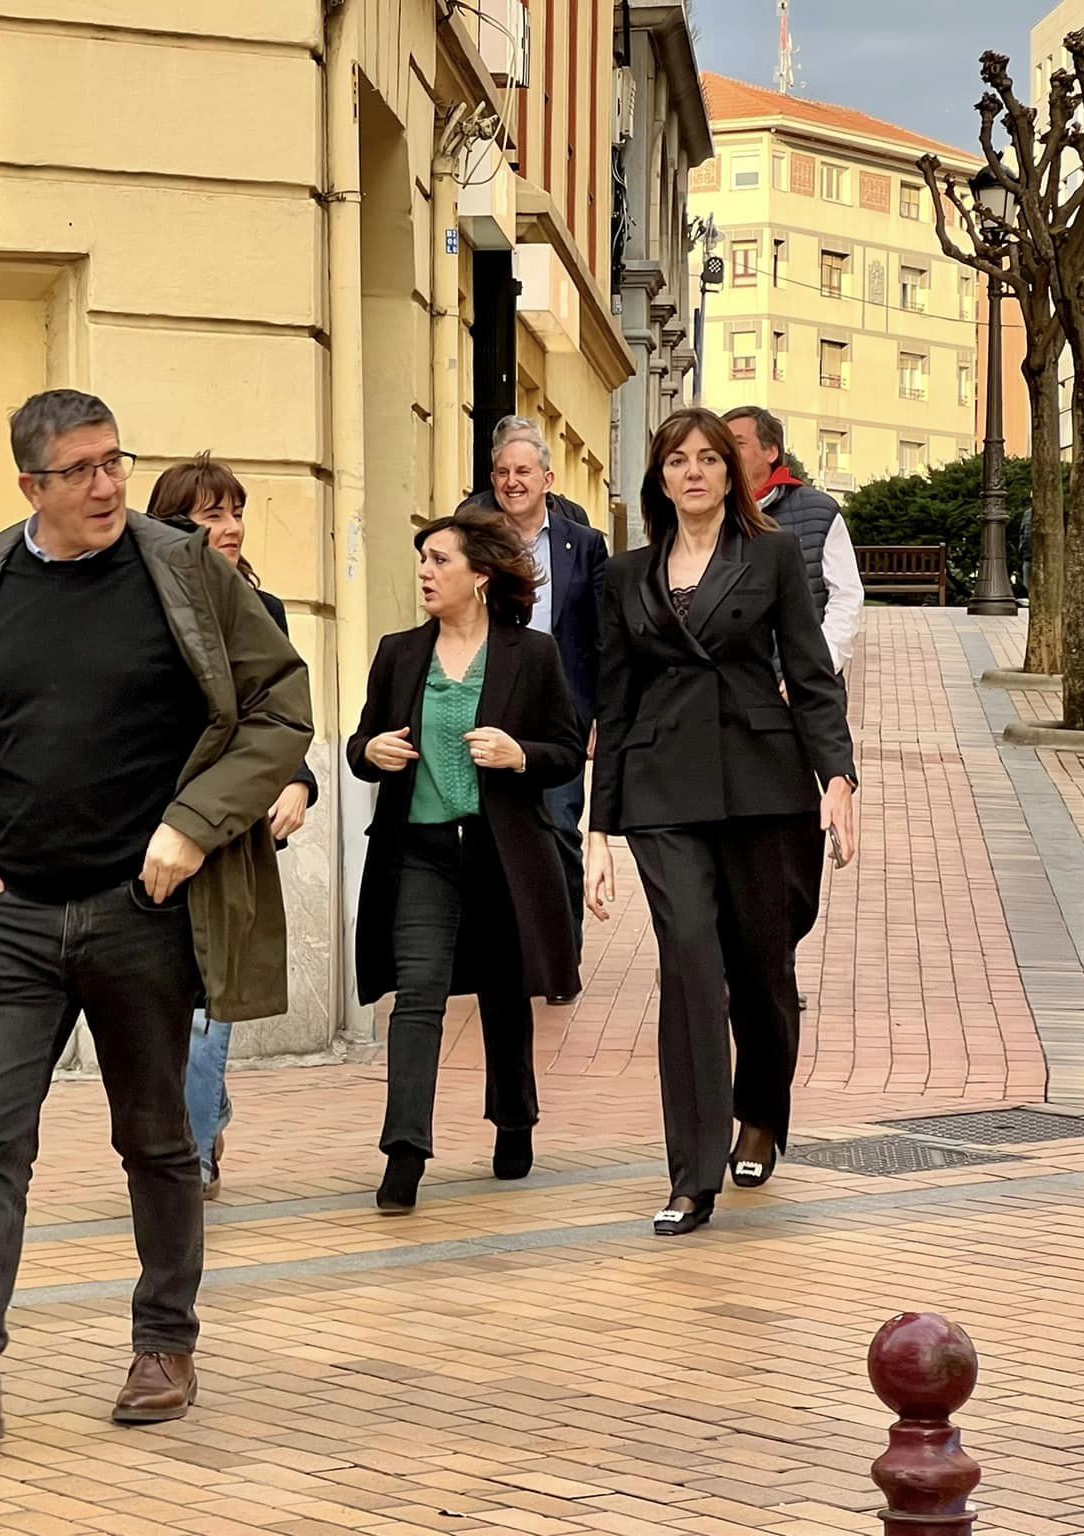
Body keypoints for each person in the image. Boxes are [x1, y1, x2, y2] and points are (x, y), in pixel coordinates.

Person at [0, 391, 313, 1440]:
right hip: (10, 916)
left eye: (114, 461)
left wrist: (191, 830)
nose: (107, 485)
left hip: (140, 909)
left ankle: (164, 1346)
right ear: (29, 485)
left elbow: (280, 708)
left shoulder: (183, 570)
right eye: (79, 470)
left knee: (157, 1139)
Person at [584, 408, 858, 1238]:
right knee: (691, 964)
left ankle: (762, 1113)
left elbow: (810, 674)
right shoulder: (625, 575)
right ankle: (691, 1176)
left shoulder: (770, 554)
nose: (694, 472)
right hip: (664, 793)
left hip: (762, 784)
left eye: (709, 458)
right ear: (659, 477)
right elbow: (615, 705)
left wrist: (836, 777)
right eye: (678, 459)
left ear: (729, 476)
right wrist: (597, 832)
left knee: (761, 966)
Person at [346, 509, 583, 1214]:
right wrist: (370, 752)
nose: (425, 571)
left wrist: (521, 755)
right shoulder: (397, 652)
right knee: (417, 996)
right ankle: (404, 1152)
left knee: (504, 996)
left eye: (440, 560)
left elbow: (566, 750)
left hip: (501, 852)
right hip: (419, 851)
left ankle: (514, 1118)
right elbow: (364, 740)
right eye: (422, 559)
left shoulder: (529, 656)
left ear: (480, 575)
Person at [144, 454, 317, 1202]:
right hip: (155, 828)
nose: (232, 527)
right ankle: (204, 1118)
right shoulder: (145, 604)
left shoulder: (263, 609)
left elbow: (277, 722)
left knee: (213, 1002)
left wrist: (299, 782)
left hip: (231, 839)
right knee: (167, 1007)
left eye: (236, 511)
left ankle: (194, 1155)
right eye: (213, 513)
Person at [477, 417, 606, 996]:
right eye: (503, 472)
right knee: (494, 834)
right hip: (491, 705)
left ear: (548, 478)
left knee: (558, 830)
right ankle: (503, 955)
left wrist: (603, 713)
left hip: (563, 714)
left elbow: (602, 635)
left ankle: (560, 962)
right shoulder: (474, 539)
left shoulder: (585, 544)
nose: (512, 481)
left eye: (523, 471)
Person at [723, 407, 864, 681]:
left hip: (803, 685)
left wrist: (817, 666)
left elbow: (845, 596)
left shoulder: (819, 512)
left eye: (737, 444)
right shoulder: (707, 514)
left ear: (771, 452)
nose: (726, 454)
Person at [464, 413, 595, 529]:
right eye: (511, 444)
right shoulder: (472, 514)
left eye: (529, 445)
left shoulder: (573, 515)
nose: (512, 482)